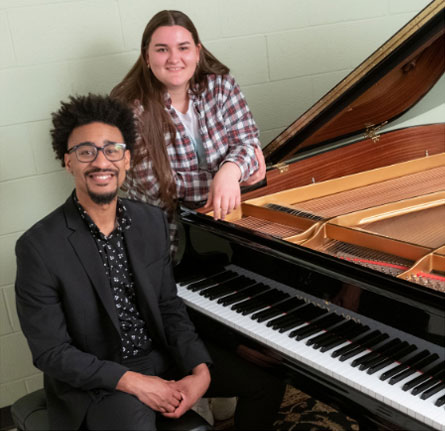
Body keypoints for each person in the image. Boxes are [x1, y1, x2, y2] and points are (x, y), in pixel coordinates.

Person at [15, 94, 284, 430]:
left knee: (266, 383)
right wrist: (134, 382)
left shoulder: (150, 221)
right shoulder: (38, 247)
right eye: (86, 152)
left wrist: (199, 370)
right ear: (68, 162)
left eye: (112, 149)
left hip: (160, 358)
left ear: (127, 159)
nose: (101, 162)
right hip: (100, 380)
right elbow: (51, 353)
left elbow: (168, 306)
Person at [111, 9, 266, 248]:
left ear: (197, 51)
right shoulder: (129, 108)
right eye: (162, 49)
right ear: (146, 57)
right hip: (162, 240)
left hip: (227, 225)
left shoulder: (221, 85)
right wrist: (233, 181)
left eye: (183, 48)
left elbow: (247, 143)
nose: (174, 58)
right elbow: (155, 183)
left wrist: (231, 171)